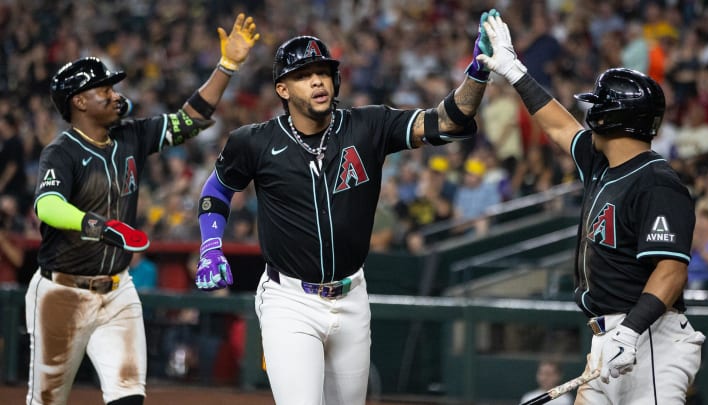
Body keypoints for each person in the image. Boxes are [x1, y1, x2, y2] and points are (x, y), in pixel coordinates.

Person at [193, 9, 500, 404]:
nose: (317, 80)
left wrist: (477, 74)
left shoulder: (368, 125)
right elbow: (216, 190)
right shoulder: (253, 141)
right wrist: (209, 245)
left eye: (322, 71)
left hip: (352, 295)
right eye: (304, 75)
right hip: (290, 300)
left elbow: (449, 121)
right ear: (283, 90)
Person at [24, 12, 259, 405]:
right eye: (104, 88)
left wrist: (228, 66)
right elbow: (47, 206)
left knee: (129, 398)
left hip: (117, 291)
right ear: (79, 101)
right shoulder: (60, 151)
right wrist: (99, 226)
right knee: (46, 401)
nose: (116, 93)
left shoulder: (132, 135)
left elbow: (191, 119)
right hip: (61, 293)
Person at [478, 12, 705, 404]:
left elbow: (671, 271)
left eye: (597, 106)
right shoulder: (604, 163)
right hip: (608, 337)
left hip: (652, 339)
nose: (588, 113)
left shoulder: (657, 182)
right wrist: (515, 72)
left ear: (610, 117)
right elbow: (560, 127)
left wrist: (631, 331)